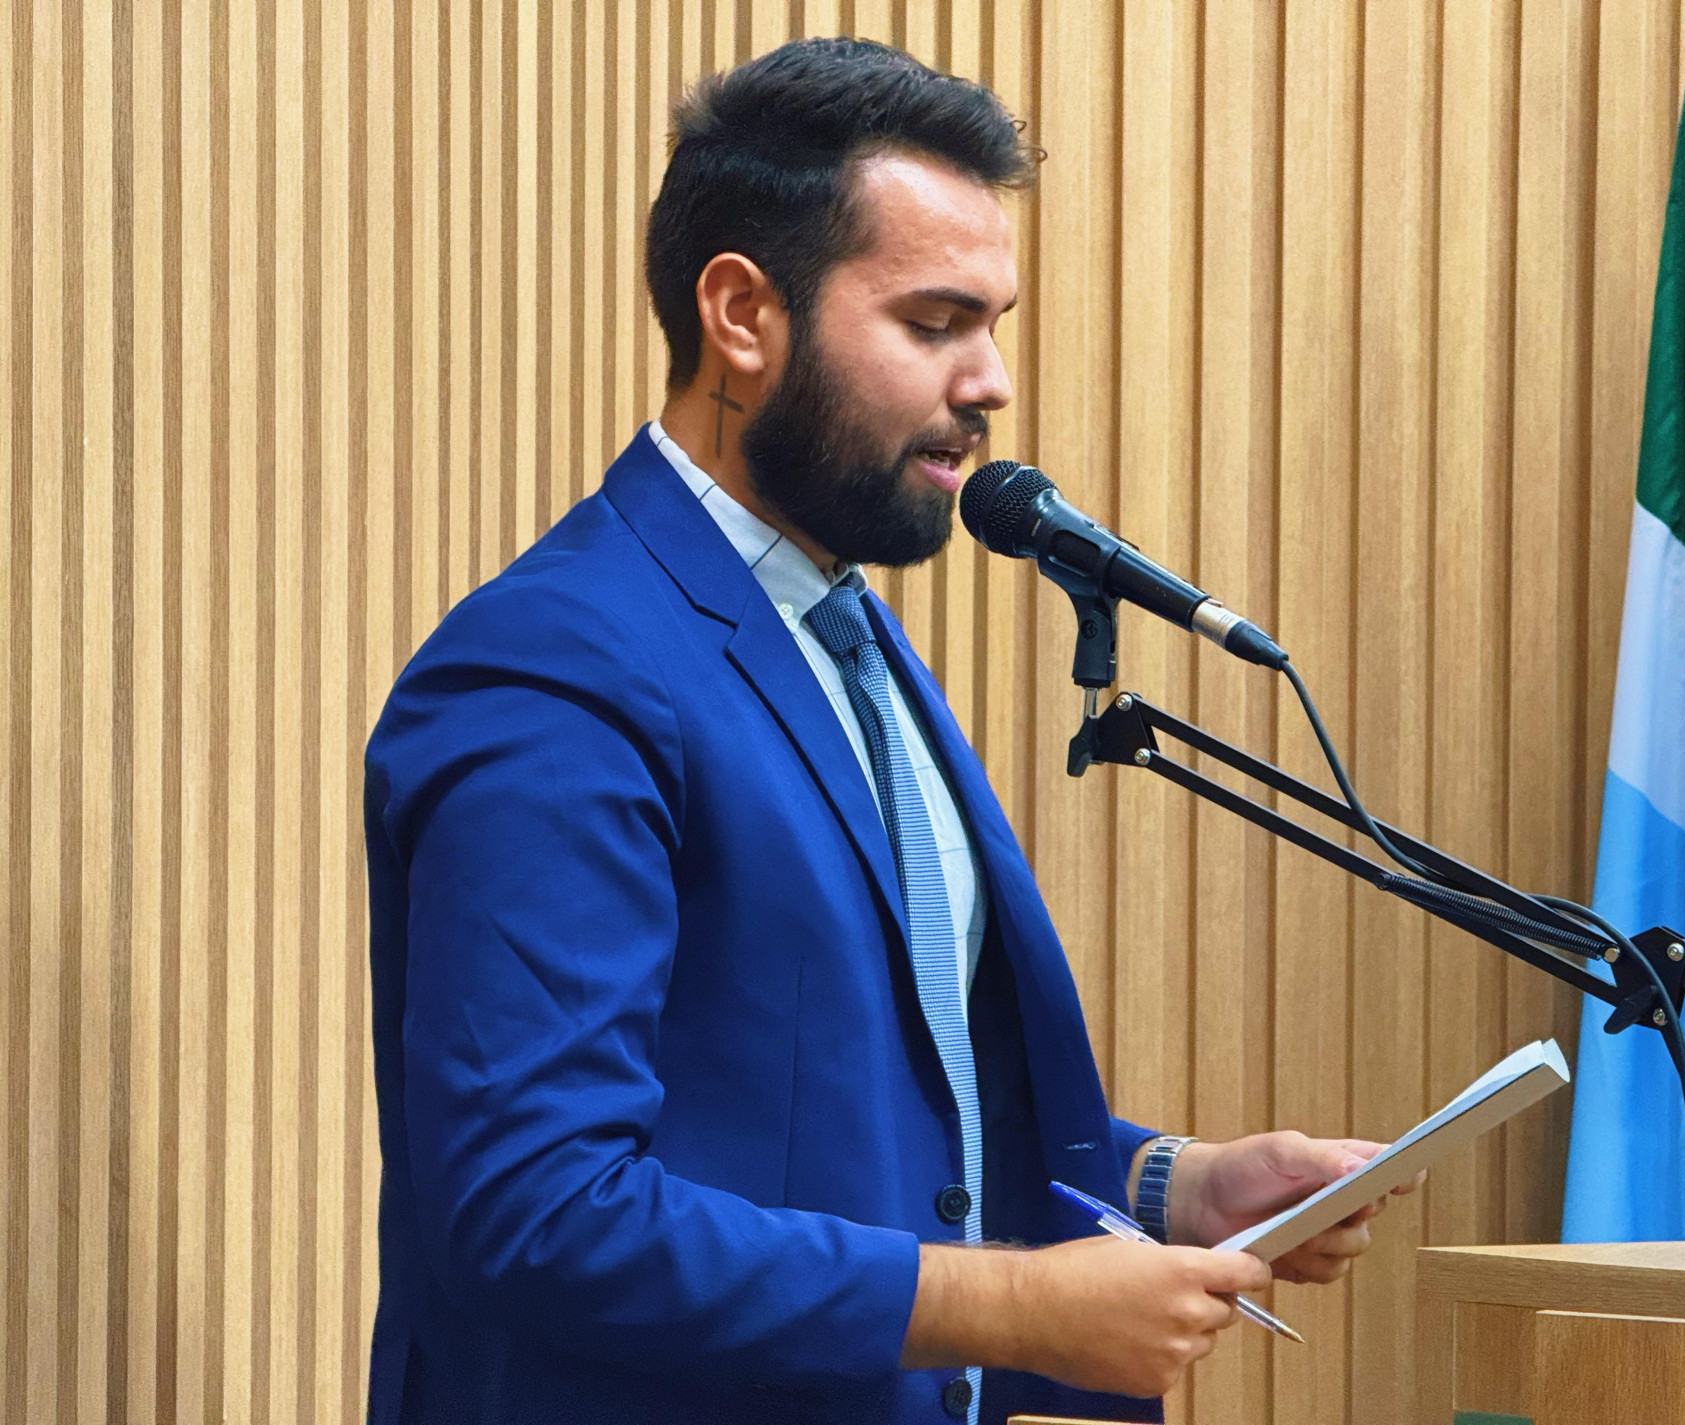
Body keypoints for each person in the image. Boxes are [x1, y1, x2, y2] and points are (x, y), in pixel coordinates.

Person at [363, 37, 1414, 1425]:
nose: (991, 382)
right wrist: (1012, 1304)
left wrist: (1173, 1185)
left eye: (995, 323)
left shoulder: (837, 629)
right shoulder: (554, 667)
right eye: (934, 324)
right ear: (742, 314)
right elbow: (535, 1208)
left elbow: (870, 1121)